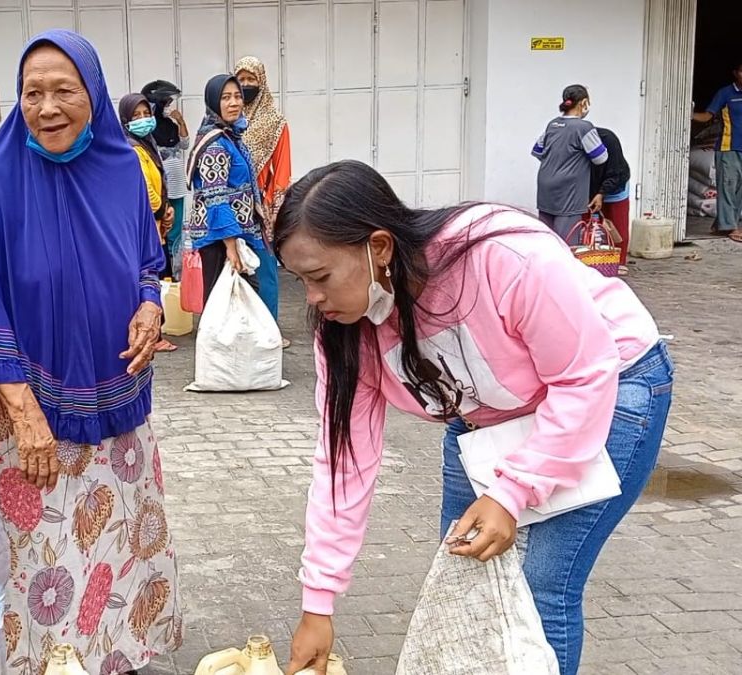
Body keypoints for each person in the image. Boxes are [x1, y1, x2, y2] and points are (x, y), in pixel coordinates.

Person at [276, 161, 672, 675]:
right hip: (489, 413)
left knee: (536, 585)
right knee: (465, 579)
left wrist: (511, 493)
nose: (312, 298)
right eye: (302, 280)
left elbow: (582, 377)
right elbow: (343, 463)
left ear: (378, 248)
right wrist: (318, 603)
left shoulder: (501, 258)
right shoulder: (346, 332)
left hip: (611, 383)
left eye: (321, 276)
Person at [0, 30, 182, 674]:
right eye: (32, 93)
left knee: (112, 543)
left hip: (115, 397)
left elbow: (144, 259)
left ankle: (110, 656)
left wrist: (149, 303)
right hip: (24, 408)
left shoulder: (122, 167)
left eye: (64, 91)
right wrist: (25, 416)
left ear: (94, 94)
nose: (47, 108)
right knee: (40, 552)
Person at [187, 74, 267, 309]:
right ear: (213, 102)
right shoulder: (214, 144)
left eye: (237, 96)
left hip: (234, 233)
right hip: (219, 238)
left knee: (239, 304)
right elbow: (215, 197)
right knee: (220, 306)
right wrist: (230, 245)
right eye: (225, 98)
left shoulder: (231, 136)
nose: (233, 103)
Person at [120, 92, 179, 353]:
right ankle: (151, 335)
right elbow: (145, 187)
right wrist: (160, 209)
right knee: (151, 274)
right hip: (146, 222)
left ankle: (155, 331)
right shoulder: (131, 147)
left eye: (146, 114)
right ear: (125, 120)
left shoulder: (147, 144)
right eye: (136, 116)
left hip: (156, 219)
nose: (144, 120)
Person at [235, 56, 291, 325]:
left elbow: (281, 169)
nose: (246, 85)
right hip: (231, 205)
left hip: (260, 208)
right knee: (235, 268)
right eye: (241, 79)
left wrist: (273, 207)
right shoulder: (228, 119)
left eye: (251, 79)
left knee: (266, 269)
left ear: (262, 82)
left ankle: (268, 329)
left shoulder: (275, 123)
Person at [532, 85, 608, 239]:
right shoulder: (584, 127)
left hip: (546, 189)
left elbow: (537, 151)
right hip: (568, 193)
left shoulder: (552, 124)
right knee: (566, 241)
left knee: (547, 237)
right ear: (583, 102)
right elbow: (601, 158)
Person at [144, 79, 191, 276]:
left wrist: (180, 121)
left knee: (177, 229)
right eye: (166, 103)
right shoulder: (148, 128)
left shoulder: (170, 125)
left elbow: (184, 144)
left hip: (178, 183)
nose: (168, 107)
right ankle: (163, 270)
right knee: (162, 227)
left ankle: (177, 271)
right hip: (160, 186)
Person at [692, 60, 742, 242]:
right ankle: (731, 227)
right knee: (728, 186)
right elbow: (708, 116)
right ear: (735, 73)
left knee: (739, 190)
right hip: (728, 147)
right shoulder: (725, 93)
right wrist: (688, 113)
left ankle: (722, 224)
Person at [588, 127, 631, 274]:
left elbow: (615, 172)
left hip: (615, 185)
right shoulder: (576, 143)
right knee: (589, 224)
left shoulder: (608, 140)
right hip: (591, 186)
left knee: (617, 224)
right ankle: (592, 257)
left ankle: (619, 260)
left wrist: (601, 193)